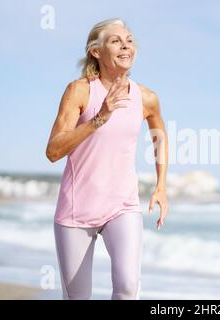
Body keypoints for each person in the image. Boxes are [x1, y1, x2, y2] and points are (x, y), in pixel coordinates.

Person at [45, 18, 169, 300]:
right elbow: (53, 151)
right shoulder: (80, 91)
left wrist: (161, 185)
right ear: (96, 52)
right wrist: (99, 117)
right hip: (77, 211)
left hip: (122, 206)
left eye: (129, 39)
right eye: (116, 41)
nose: (126, 45)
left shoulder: (146, 98)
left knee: (127, 287)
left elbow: (159, 137)